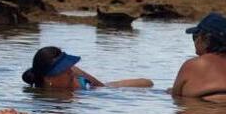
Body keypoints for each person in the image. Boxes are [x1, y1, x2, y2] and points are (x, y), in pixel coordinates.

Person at [170, 13, 226, 103]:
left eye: (195, 36)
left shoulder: (194, 65)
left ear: (203, 38)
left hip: (209, 109)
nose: (194, 42)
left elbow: (176, 97)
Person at [22, 46, 153, 89]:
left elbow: (102, 87)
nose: (69, 70)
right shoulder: (50, 98)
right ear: (48, 79)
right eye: (63, 69)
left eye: (68, 66)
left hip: (105, 88)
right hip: (99, 90)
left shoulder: (74, 75)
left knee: (147, 83)